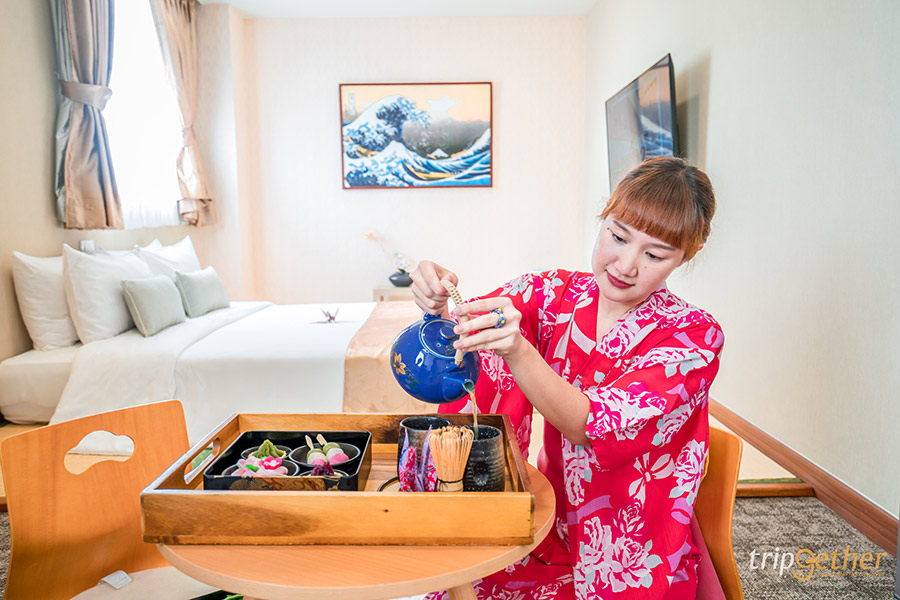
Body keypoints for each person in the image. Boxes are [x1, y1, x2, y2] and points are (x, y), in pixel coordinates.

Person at [410, 156, 724, 600]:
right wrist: (440, 304)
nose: (626, 265)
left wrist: (519, 350)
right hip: (548, 522)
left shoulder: (694, 338)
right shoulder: (550, 294)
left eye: (654, 255)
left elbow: (589, 426)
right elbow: (468, 334)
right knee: (457, 580)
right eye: (617, 236)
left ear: (688, 255)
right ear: (603, 220)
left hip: (633, 545)